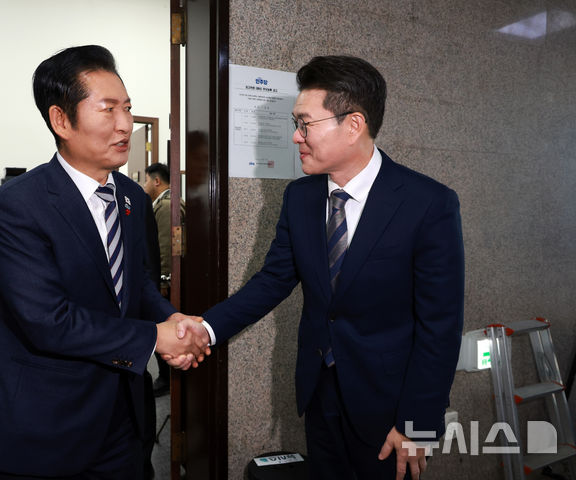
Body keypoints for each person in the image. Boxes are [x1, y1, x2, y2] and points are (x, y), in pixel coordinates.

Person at [177, 55, 465, 479]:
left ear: (353, 124)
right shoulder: (300, 198)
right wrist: (206, 329)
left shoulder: (428, 204)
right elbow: (273, 280)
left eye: (305, 124)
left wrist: (417, 424)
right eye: (296, 123)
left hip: (391, 409)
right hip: (320, 394)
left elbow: (440, 326)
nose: (296, 136)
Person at [0, 45, 209, 480]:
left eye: (127, 108)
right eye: (108, 109)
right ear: (61, 120)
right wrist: (154, 337)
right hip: (45, 421)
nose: (125, 124)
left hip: (123, 416)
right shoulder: (15, 206)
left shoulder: (132, 198)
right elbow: (46, 319)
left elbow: (138, 284)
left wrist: (171, 319)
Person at [143, 162, 186, 396]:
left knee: (164, 326)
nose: (145, 185)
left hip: (166, 283)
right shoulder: (168, 202)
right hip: (166, 281)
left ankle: (166, 379)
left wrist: (163, 281)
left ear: (157, 181)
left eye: (147, 180)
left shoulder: (166, 206)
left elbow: (166, 248)